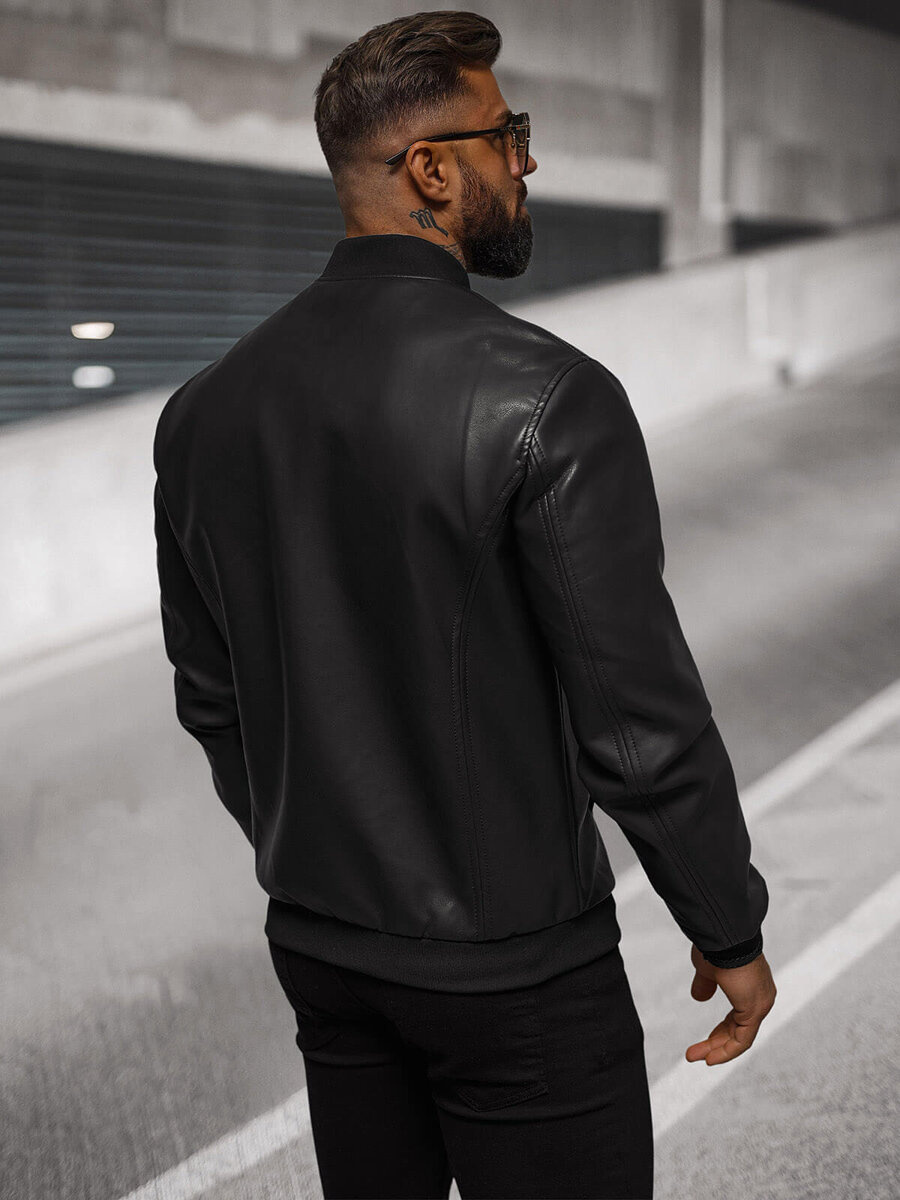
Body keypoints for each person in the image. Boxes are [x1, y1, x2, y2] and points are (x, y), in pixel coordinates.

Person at [152, 10, 776, 1198]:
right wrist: (727, 924)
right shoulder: (550, 397)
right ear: (432, 170)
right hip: (517, 975)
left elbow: (211, 701)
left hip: (323, 953)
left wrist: (323, 865)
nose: (528, 161)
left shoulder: (203, 414)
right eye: (509, 133)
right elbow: (636, 722)